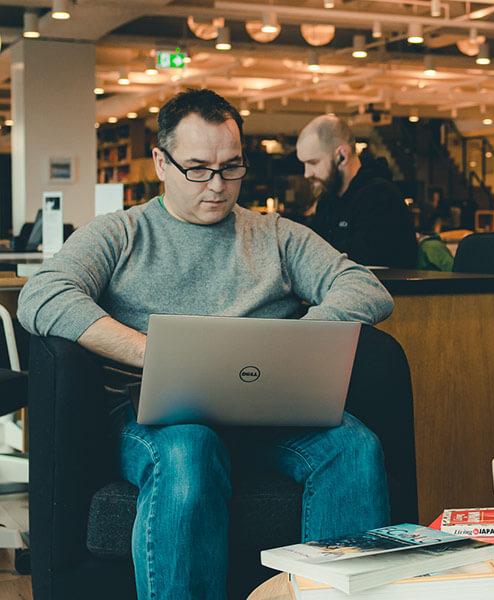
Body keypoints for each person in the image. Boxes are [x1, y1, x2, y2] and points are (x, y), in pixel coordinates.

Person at [17, 89, 396, 600]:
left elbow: (365, 288)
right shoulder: (122, 233)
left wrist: (296, 338)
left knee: (353, 446)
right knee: (191, 449)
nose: (217, 187)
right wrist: (150, 352)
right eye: (198, 169)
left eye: (231, 167)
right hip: (157, 419)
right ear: (161, 162)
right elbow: (42, 295)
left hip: (268, 414)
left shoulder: (277, 235)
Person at [297, 114, 418, 268]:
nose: (307, 173)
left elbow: (366, 263)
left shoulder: (382, 197)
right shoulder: (327, 202)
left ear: (342, 155)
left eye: (313, 162)